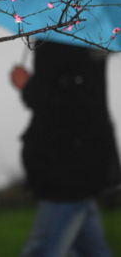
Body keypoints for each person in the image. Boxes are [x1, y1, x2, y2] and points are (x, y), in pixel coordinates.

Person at [10, 39, 121, 257]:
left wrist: (26, 85)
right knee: (90, 249)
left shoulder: (60, 37)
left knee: (41, 250)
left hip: (67, 165)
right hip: (80, 158)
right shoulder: (87, 34)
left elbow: (62, 105)